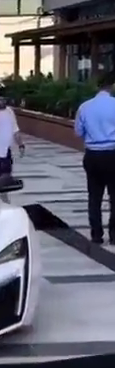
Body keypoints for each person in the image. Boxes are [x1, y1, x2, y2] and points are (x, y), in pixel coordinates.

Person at [74, 74, 115, 244]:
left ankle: (96, 235)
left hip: (92, 155)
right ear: (112, 86)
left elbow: (78, 132)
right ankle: (114, 235)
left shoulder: (85, 107)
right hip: (112, 154)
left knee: (94, 197)